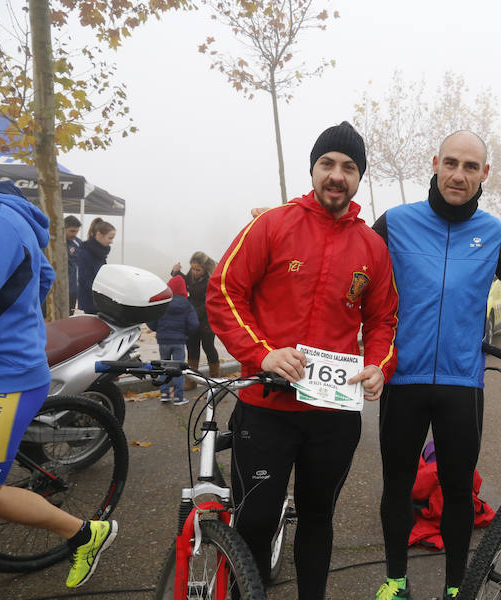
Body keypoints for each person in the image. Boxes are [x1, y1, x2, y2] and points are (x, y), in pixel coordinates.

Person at [206, 121, 399, 600]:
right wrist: (262, 354)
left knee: (318, 518)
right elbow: (224, 292)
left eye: (349, 168)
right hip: (266, 409)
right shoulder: (271, 224)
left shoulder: (372, 248)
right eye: (328, 164)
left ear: (359, 179)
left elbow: (384, 322)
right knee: (255, 518)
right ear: (313, 169)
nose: (337, 175)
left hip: (333, 417)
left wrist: (379, 365)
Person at [371, 130, 501, 600]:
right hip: (403, 379)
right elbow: (344, 262)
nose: (459, 175)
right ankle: (396, 582)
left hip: (462, 383)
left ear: (485, 174)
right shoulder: (396, 222)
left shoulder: (492, 231)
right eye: (452, 163)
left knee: (458, 491)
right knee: (397, 486)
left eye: (471, 167)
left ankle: (456, 588)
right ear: (436, 163)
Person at [0, 181, 118, 588]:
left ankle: (84, 533)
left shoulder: (2, 223)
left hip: (6, 376)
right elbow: (45, 275)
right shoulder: (21, 222)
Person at [146, 275, 199, 405]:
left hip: (163, 341)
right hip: (179, 341)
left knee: (163, 366)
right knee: (178, 368)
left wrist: (157, 329)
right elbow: (194, 323)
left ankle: (164, 394)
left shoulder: (163, 302)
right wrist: (185, 333)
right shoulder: (187, 305)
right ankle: (178, 397)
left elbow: (151, 319)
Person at [171, 251, 220, 386]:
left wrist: (192, 314)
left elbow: (209, 304)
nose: (194, 272)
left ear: (205, 269)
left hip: (207, 321)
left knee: (208, 347)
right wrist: (176, 272)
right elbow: (184, 282)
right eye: (193, 268)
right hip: (192, 320)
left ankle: (215, 379)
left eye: (198, 269)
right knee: (192, 348)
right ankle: (191, 381)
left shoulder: (211, 281)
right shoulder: (191, 276)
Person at [77, 217, 116, 314]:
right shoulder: (86, 252)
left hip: (101, 299)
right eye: (110, 238)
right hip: (92, 302)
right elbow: (84, 279)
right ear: (99, 235)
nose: (111, 242)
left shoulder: (100, 252)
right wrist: (101, 297)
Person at [64, 215, 82, 314]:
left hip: (72, 289)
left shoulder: (78, 243)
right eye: (72, 231)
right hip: (54, 289)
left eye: (76, 231)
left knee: (68, 317)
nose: (74, 234)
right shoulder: (52, 243)